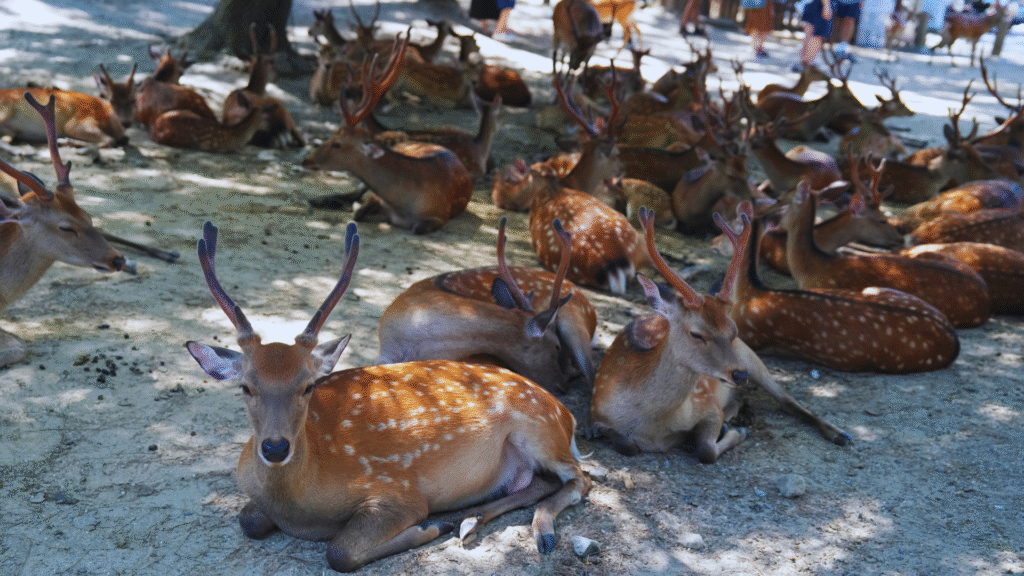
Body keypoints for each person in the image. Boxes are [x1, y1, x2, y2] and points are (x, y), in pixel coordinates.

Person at [794, 0, 833, 71]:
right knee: (818, 34)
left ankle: (803, 61)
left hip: (811, 4)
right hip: (820, 5)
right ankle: (806, 63)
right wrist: (826, 5)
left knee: (809, 31)